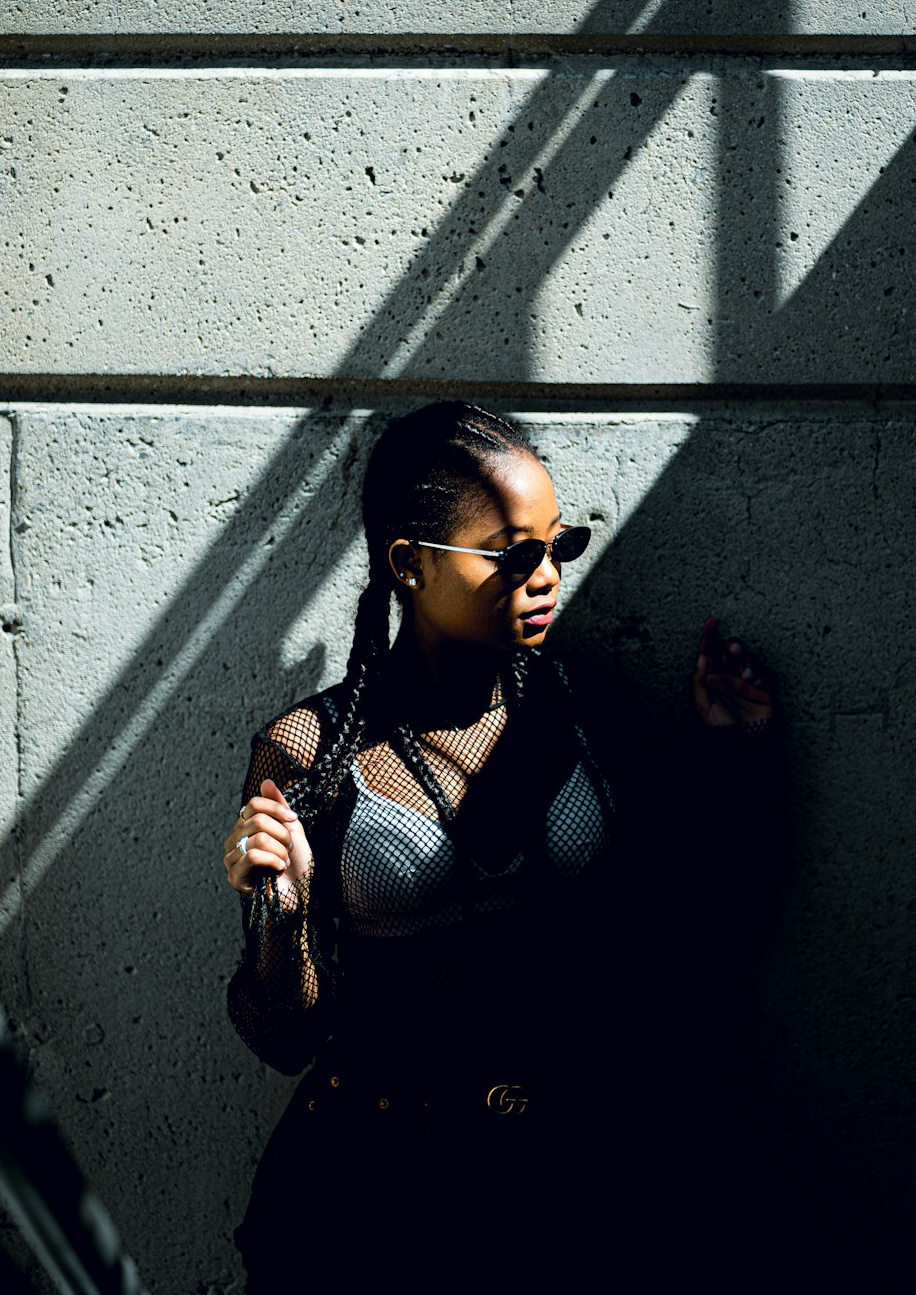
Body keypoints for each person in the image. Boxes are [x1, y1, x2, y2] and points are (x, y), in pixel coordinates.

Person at [221, 401, 774, 1286]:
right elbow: (285, 1036)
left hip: (570, 1165)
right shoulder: (311, 752)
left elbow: (670, 926)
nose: (547, 573)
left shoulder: (580, 706)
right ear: (410, 564)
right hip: (379, 1192)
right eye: (516, 554)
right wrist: (280, 908)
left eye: (561, 545)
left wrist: (726, 756)